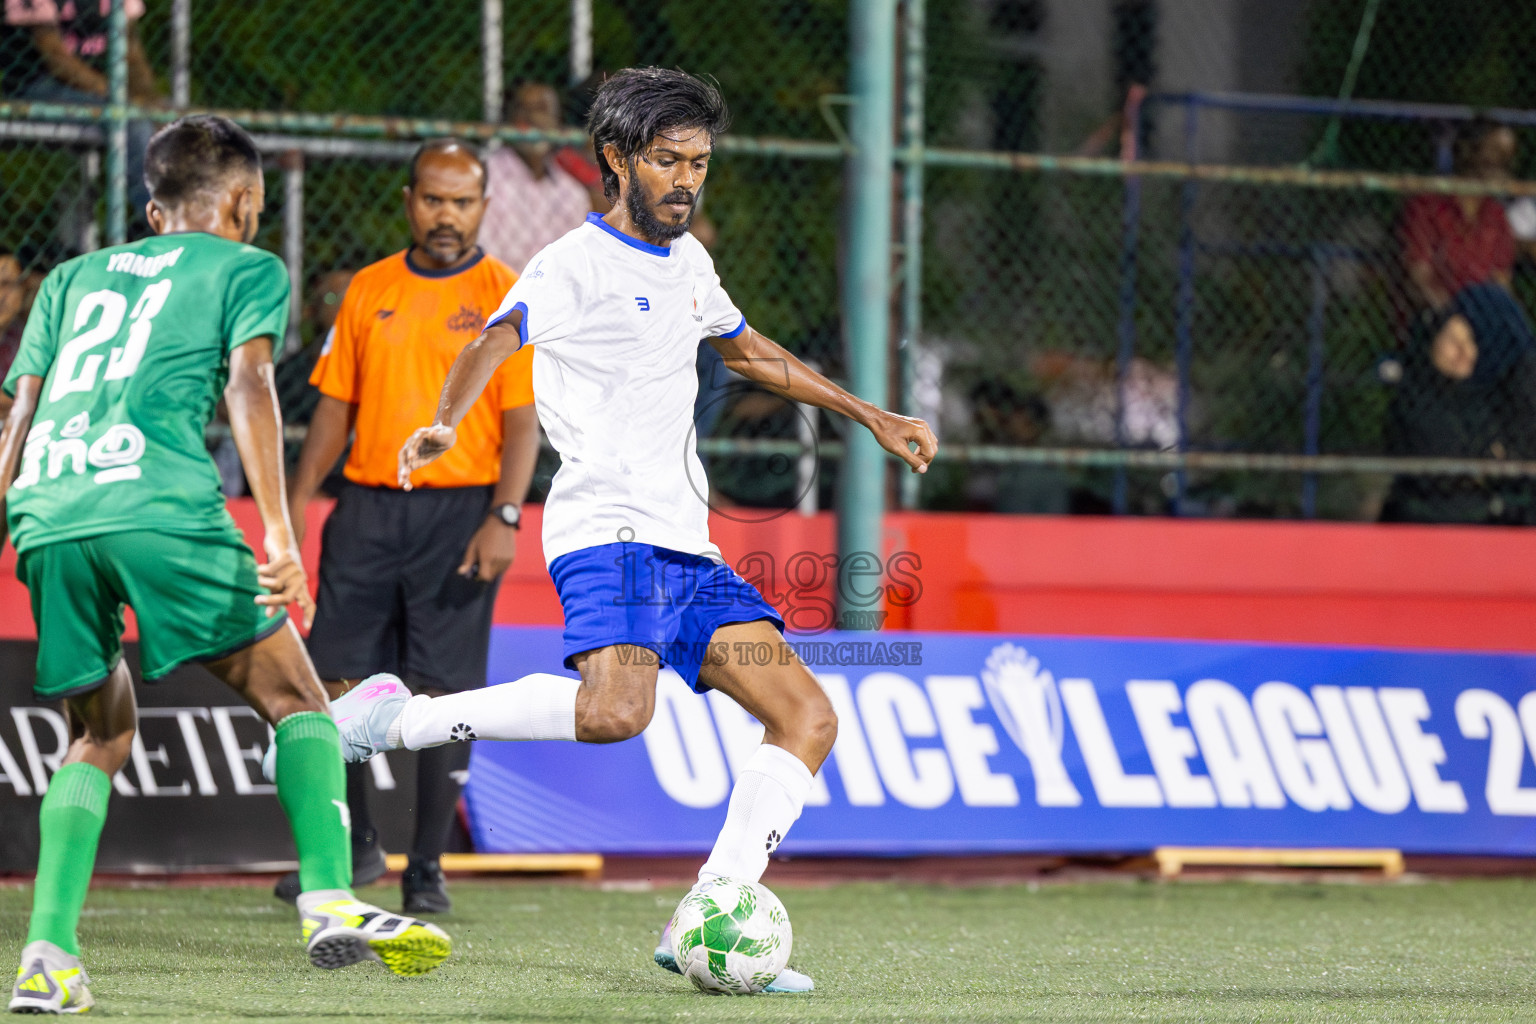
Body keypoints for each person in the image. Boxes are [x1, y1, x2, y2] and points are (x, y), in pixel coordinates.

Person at [319, 67, 937, 994]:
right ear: (616, 159)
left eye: (699, 162)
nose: (686, 178)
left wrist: (868, 413)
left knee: (806, 716)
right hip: (607, 530)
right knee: (616, 713)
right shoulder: (570, 264)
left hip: (688, 546)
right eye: (667, 160)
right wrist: (451, 417)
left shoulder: (690, 264)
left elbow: (748, 348)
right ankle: (394, 717)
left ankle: (713, 908)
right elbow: (495, 338)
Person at [0, 115, 450, 1013]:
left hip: (45, 511)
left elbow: (21, 410)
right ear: (244, 203)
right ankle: (328, 896)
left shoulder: (68, 277)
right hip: (158, 500)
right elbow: (249, 384)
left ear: (153, 204)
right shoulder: (247, 267)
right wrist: (281, 536)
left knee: (98, 731)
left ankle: (47, 953)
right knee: (296, 697)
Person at [274, 138, 540, 914]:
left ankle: (426, 867)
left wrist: (506, 515)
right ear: (409, 200)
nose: (446, 214)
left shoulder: (506, 293)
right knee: (335, 684)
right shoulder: (367, 288)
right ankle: (354, 847)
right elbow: (333, 408)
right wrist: (294, 502)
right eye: (433, 198)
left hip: (461, 511)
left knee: (444, 692)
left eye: (462, 200)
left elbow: (523, 424)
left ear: (485, 207)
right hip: (365, 508)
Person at [1381, 282, 1536, 524]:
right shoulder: (1418, 391)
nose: (1462, 352)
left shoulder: (1510, 394)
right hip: (1428, 519)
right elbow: (1438, 466)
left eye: (1474, 342)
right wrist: (1489, 457)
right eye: (1452, 339)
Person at [1402, 121, 1518, 313]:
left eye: (1508, 157)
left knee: (1508, 317)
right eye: (1495, 152)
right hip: (1441, 313)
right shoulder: (1428, 206)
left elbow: (1501, 281)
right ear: (1468, 151)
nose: (1503, 165)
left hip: (1485, 314)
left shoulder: (1495, 215)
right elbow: (1420, 278)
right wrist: (1454, 317)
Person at [478, 82, 595, 273]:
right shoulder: (483, 179)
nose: (532, 118)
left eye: (542, 109)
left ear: (557, 122)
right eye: (522, 109)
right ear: (508, 119)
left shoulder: (572, 194)